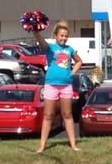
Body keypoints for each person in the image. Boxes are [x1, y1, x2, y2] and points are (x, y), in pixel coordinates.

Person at [33, 20, 82, 153]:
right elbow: (41, 41)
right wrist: (36, 31)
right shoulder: (50, 48)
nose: (64, 38)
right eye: (61, 35)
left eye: (66, 36)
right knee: (48, 115)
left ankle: (73, 145)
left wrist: (72, 73)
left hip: (66, 85)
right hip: (51, 85)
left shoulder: (70, 49)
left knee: (67, 114)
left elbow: (79, 62)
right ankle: (42, 146)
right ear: (55, 35)